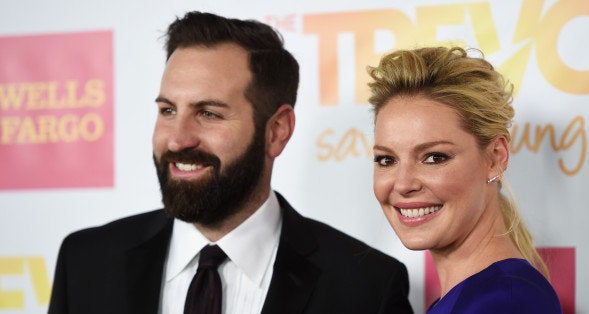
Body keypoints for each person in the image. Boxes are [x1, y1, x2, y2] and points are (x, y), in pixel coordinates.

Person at [48, 11, 413, 314]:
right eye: (168, 110)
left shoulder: (365, 287)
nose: (177, 138)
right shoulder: (86, 263)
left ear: (277, 131)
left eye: (208, 113)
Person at [367, 46, 562, 313]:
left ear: (495, 157)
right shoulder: (476, 296)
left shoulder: (503, 303)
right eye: (386, 160)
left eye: (434, 157)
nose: (402, 184)